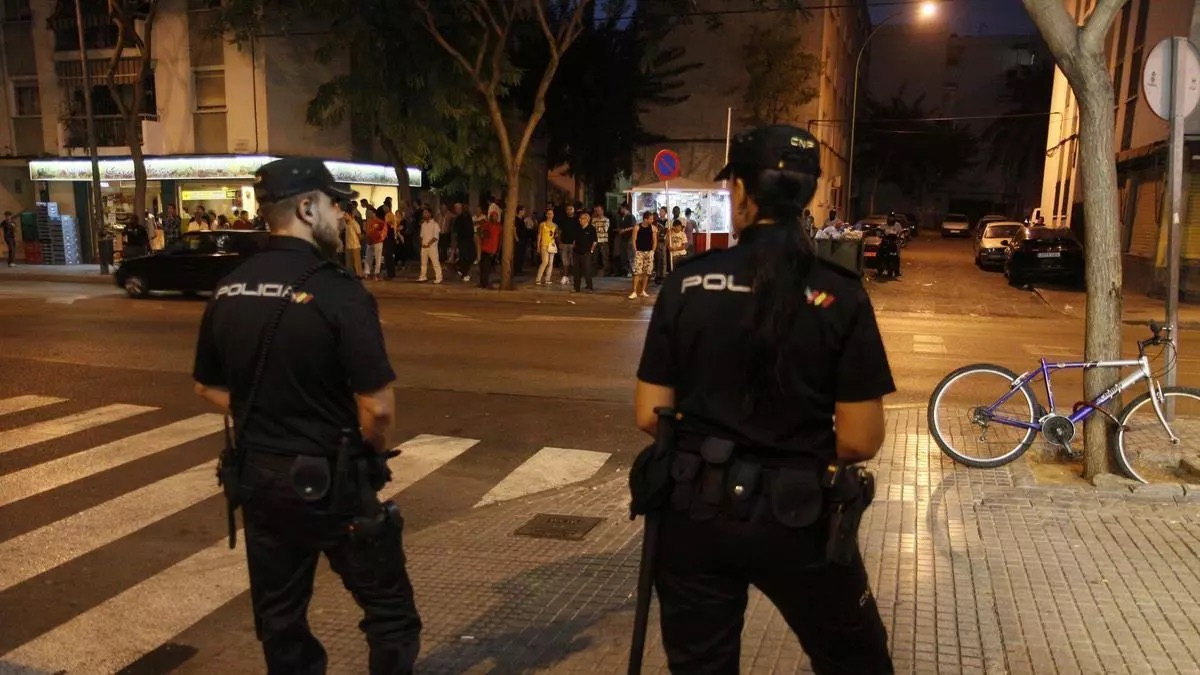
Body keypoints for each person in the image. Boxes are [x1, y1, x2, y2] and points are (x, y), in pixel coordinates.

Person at [631, 125, 895, 673]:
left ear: (742, 194)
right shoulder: (839, 294)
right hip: (798, 518)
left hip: (694, 514)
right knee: (857, 661)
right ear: (807, 196)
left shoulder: (687, 284)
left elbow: (646, 414)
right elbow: (859, 438)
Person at [191, 157, 422, 674]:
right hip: (333, 478)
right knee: (390, 613)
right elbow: (378, 408)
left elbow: (207, 385)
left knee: (280, 620)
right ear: (306, 206)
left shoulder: (229, 286)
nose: (342, 215)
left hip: (259, 479)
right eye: (334, 204)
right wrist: (371, 449)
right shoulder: (339, 290)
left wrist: (269, 409)